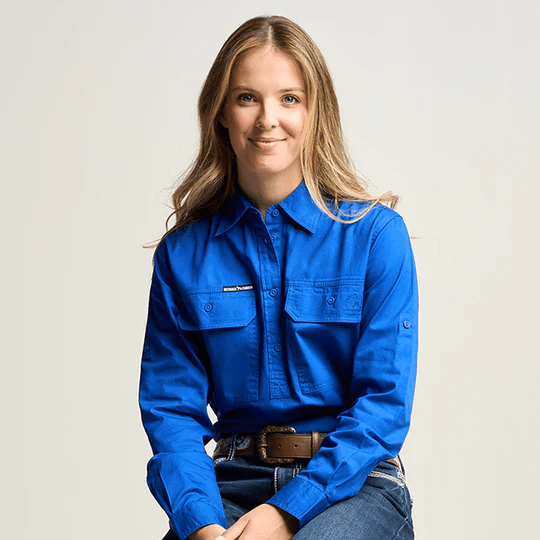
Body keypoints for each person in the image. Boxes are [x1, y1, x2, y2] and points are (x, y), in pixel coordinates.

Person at [139, 15, 418, 540]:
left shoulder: (376, 238)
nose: (268, 119)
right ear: (221, 113)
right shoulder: (182, 256)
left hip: (354, 484)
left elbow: (383, 405)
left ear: (315, 112)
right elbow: (171, 411)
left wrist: (287, 511)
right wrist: (200, 522)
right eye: (247, 98)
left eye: (289, 98)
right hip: (230, 482)